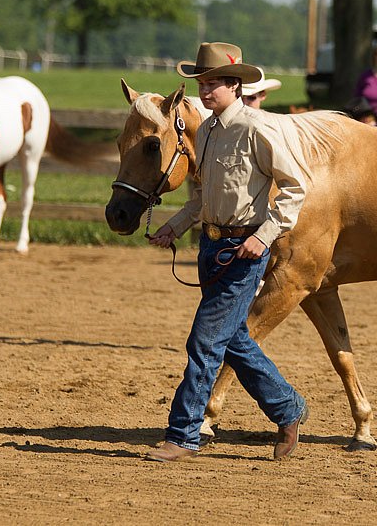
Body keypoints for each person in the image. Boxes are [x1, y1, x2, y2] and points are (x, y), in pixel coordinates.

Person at [146, 42, 309, 462]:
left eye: (213, 83)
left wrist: (266, 234)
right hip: (212, 248)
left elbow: (296, 188)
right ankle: (288, 409)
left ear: (235, 86)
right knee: (234, 340)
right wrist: (174, 225)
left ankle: (182, 435)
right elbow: (203, 198)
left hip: (243, 251)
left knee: (204, 342)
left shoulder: (257, 128)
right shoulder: (209, 132)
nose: (204, 90)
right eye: (201, 83)